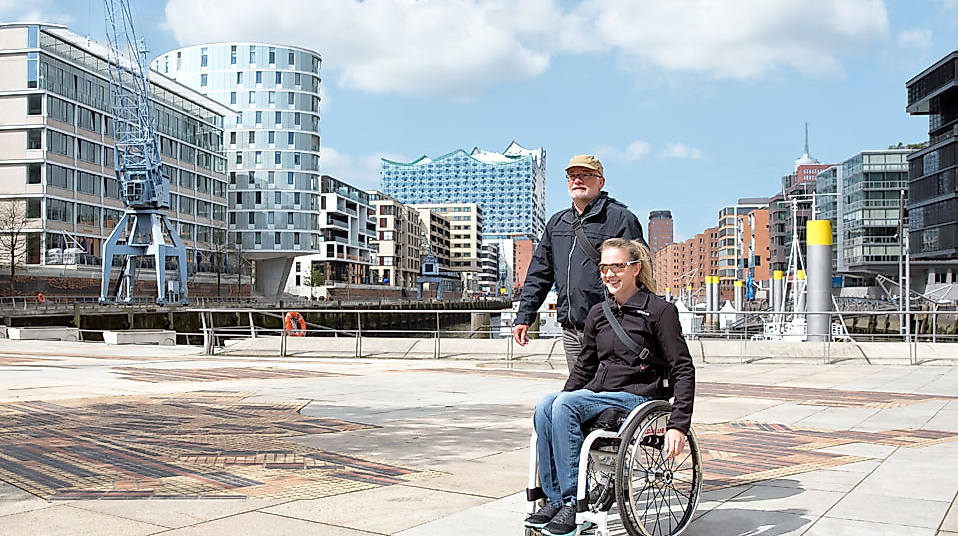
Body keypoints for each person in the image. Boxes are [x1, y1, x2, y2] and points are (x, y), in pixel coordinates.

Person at [524, 238, 695, 536]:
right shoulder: (598, 313)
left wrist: (678, 424)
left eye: (617, 266)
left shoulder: (659, 311)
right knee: (546, 405)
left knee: (564, 405)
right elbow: (585, 366)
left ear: (635, 269)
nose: (609, 274)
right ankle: (554, 499)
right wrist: (563, 399)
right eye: (604, 267)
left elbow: (683, 368)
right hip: (600, 395)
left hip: (638, 399)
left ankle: (574, 505)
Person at [513, 155, 646, 372]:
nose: (577, 180)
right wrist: (524, 316)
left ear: (600, 181)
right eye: (572, 176)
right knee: (578, 394)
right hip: (571, 330)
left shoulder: (621, 219)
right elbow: (540, 274)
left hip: (610, 326)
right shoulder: (557, 223)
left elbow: (640, 272)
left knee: (610, 391)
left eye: (586, 175)